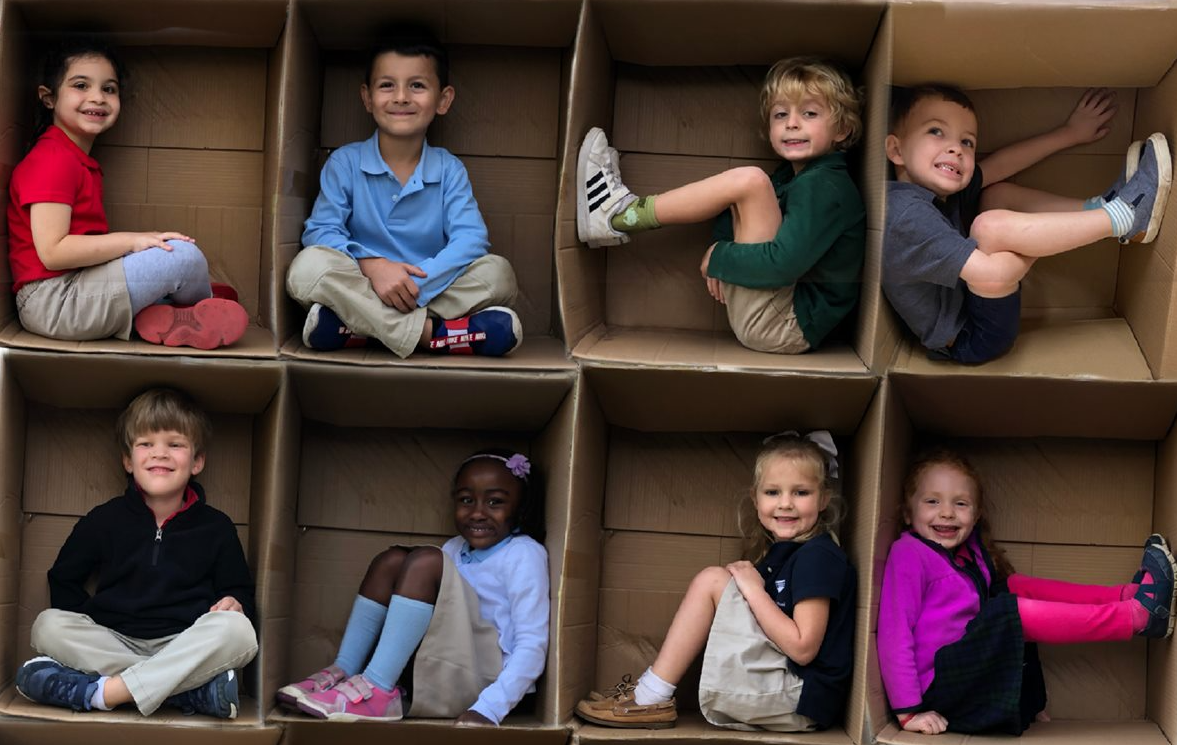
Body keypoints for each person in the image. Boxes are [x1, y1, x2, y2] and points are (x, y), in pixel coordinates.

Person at [576, 57, 865, 355]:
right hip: (777, 315)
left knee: (750, 181)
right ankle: (619, 216)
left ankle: (620, 215)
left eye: (809, 113)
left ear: (842, 129)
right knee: (751, 185)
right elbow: (735, 213)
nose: (791, 123)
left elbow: (783, 265)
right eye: (780, 114)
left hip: (786, 325)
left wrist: (721, 256)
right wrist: (723, 244)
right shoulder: (790, 177)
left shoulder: (826, 186)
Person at [878, 449, 1177, 735]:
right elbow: (895, 632)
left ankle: (1127, 597)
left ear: (977, 513)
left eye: (961, 504)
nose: (946, 513)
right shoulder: (909, 553)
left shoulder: (967, 555)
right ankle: (1138, 617)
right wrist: (909, 711)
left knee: (1011, 587)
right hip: (939, 690)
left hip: (973, 677)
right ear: (907, 512)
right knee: (1006, 612)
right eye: (932, 501)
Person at [576, 432, 856, 731]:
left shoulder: (819, 557)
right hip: (783, 691)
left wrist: (752, 589)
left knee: (712, 580)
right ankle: (649, 693)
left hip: (799, 698)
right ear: (755, 497)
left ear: (824, 498)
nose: (785, 503)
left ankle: (651, 696)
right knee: (718, 581)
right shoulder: (783, 555)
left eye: (801, 493)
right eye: (773, 492)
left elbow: (802, 648)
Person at [882, 84, 1171, 364]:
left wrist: (1069, 134)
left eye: (967, 142)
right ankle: (1125, 218)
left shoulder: (932, 192)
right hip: (973, 336)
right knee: (989, 227)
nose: (956, 149)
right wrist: (1033, 242)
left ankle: (1102, 209)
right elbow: (993, 276)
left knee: (997, 194)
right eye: (936, 131)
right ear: (896, 150)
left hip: (969, 296)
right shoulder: (907, 217)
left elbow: (1001, 164)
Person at [16, 388, 258, 718]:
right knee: (47, 625)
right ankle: (188, 693)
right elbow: (63, 578)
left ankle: (103, 693)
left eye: (175, 444)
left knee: (239, 630)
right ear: (128, 460)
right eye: (146, 444)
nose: (160, 454)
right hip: (113, 641)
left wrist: (233, 601)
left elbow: (240, 589)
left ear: (197, 461)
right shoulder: (103, 519)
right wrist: (93, 618)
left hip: (184, 642)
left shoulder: (217, 527)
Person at [286, 27, 522, 358]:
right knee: (306, 269)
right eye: (387, 85)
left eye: (417, 85)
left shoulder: (448, 169)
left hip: (428, 285)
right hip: (364, 281)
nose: (401, 97)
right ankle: (433, 335)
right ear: (367, 97)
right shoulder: (345, 162)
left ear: (443, 100)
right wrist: (373, 266)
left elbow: (471, 240)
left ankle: (357, 330)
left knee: (499, 275)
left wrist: (413, 289)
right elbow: (320, 232)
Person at [6, 37, 249, 350]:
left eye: (109, 88)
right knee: (184, 258)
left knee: (169, 254)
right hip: (55, 302)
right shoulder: (52, 160)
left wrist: (136, 246)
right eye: (81, 85)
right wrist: (133, 241)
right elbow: (54, 252)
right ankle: (197, 307)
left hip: (75, 291)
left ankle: (171, 310)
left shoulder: (72, 158)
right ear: (48, 97)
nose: (97, 97)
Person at [277, 449, 548, 724]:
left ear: (520, 508)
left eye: (495, 502)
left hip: (485, 683)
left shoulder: (524, 554)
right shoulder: (454, 548)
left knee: (426, 561)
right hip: (437, 669)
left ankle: (378, 689)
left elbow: (532, 643)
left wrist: (490, 708)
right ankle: (346, 671)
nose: (477, 512)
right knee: (392, 559)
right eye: (466, 500)